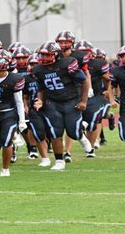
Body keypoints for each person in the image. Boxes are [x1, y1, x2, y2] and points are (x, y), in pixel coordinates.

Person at [32, 41, 88, 170]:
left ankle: (81, 131)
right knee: (55, 133)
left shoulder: (67, 63)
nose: (44, 58)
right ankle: (59, 161)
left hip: (71, 101)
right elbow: (41, 89)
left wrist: (83, 101)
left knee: (73, 133)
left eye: (47, 55)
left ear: (56, 55)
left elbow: (84, 81)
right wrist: (40, 100)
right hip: (53, 103)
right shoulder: (38, 70)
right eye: (42, 55)